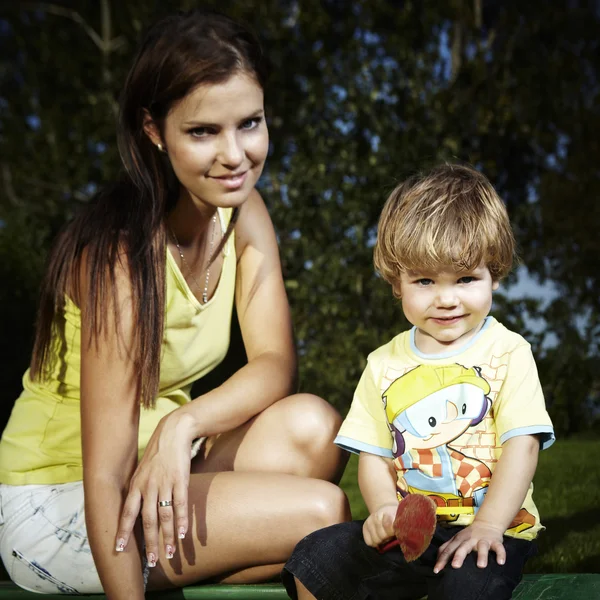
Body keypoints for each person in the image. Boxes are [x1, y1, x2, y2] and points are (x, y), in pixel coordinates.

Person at [0, 9, 350, 599]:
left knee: (315, 428)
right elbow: (104, 476)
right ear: (154, 131)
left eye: (250, 123)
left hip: (164, 466)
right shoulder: (117, 255)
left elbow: (273, 363)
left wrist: (180, 424)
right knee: (321, 514)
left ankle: (210, 560)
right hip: (61, 506)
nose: (235, 155)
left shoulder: (242, 213)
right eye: (203, 131)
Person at [282, 163, 555, 600]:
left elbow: (522, 446)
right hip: (412, 534)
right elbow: (373, 456)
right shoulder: (383, 364)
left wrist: (488, 525)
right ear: (397, 282)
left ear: (495, 275)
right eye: (424, 280)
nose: (446, 299)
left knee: (469, 583)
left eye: (466, 279)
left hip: (495, 527)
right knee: (317, 555)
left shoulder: (509, 353)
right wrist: (386, 510)